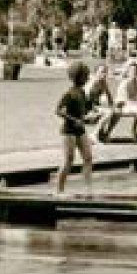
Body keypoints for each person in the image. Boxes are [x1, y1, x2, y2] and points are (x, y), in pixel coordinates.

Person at [53, 61, 95, 195]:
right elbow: (58, 110)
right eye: (86, 76)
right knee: (68, 161)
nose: (88, 78)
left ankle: (88, 189)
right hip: (69, 131)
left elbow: (87, 109)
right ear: (78, 77)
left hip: (80, 130)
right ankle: (59, 191)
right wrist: (74, 119)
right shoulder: (69, 93)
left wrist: (92, 114)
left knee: (88, 158)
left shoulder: (82, 92)